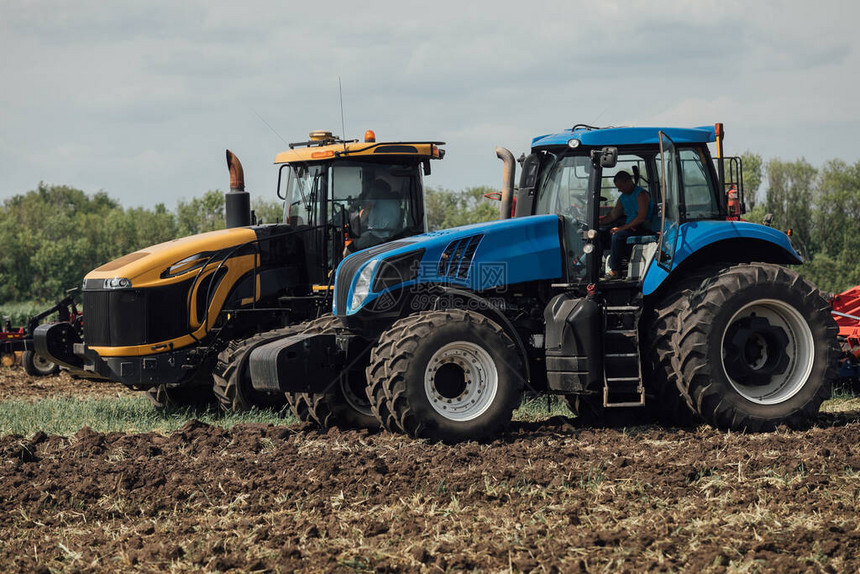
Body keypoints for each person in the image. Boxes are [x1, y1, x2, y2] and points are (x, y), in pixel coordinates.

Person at [598, 171, 654, 279]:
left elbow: (641, 217)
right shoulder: (623, 198)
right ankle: (597, 268)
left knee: (618, 236)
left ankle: (615, 270)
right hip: (630, 227)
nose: (619, 190)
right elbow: (613, 215)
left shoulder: (641, 195)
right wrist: (598, 222)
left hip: (642, 227)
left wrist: (621, 228)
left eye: (620, 186)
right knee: (600, 235)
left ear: (628, 181)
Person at [350, 179, 403, 251]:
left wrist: (355, 224)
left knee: (350, 249)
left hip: (377, 237)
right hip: (392, 235)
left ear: (374, 188)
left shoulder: (374, 194)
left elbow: (366, 210)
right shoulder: (394, 201)